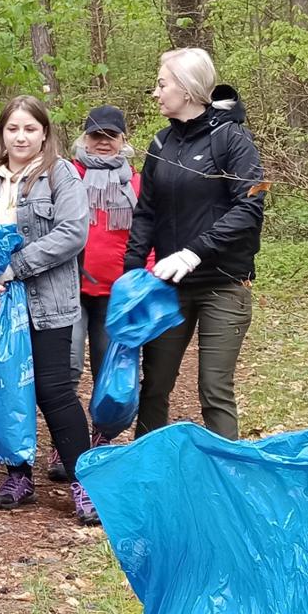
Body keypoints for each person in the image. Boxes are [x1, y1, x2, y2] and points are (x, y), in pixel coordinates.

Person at [0, 95, 94, 524]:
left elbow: (72, 232)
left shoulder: (60, 175)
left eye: (30, 128)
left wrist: (14, 267)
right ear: (2, 134)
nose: (21, 136)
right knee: (10, 388)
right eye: (13, 129)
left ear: (44, 132)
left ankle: (84, 481)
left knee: (53, 389)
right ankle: (19, 475)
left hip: (47, 301)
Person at [123, 48, 266, 442]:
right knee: (154, 386)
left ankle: (225, 487)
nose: (155, 92)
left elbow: (250, 207)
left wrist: (193, 251)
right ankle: (147, 478)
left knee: (214, 390)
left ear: (186, 90)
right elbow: (146, 213)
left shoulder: (233, 141)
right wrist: (131, 276)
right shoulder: (159, 143)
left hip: (224, 283)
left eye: (162, 83)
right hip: (170, 287)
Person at [59, 104, 147, 478]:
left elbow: (148, 233)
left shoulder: (138, 182)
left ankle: (100, 443)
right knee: (68, 366)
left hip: (117, 291)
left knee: (108, 371)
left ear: (123, 140)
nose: (103, 142)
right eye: (96, 135)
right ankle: (66, 446)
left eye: (111, 136)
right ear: (85, 138)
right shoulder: (66, 175)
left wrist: (146, 276)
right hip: (68, 287)